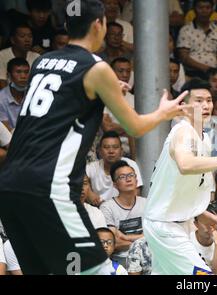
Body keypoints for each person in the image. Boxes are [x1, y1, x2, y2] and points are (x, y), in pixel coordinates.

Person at [0, 0, 191, 275]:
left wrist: (108, 90)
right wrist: (164, 112)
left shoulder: (42, 62)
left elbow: (60, 101)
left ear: (66, 26)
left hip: (9, 186)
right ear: (99, 25)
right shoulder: (96, 67)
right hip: (48, 189)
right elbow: (135, 126)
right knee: (98, 271)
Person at [142, 78, 217, 275]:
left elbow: (192, 183)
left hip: (178, 221)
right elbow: (185, 164)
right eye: (198, 100)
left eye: (208, 100)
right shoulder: (183, 132)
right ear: (183, 105)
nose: (206, 105)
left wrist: (199, 211)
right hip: (164, 225)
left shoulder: (204, 138)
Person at [99, 160, 145, 267]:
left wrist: (126, 237)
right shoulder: (107, 207)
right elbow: (114, 243)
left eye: (131, 175)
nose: (128, 179)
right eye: (122, 177)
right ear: (115, 184)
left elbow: (155, 236)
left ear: (137, 180)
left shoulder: (146, 203)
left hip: (147, 256)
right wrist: (145, 239)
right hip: (121, 260)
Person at [86, 131, 143, 205]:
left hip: (124, 209)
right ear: (99, 151)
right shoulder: (92, 167)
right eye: (106, 147)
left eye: (115, 147)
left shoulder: (130, 165)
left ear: (121, 151)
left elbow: (136, 193)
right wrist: (89, 193)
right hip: (98, 209)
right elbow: (81, 182)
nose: (111, 151)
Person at [0, 57, 30, 131]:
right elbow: (6, 131)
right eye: (18, 72)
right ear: (8, 75)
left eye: (26, 72)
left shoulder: (32, 94)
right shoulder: (1, 99)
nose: (23, 76)